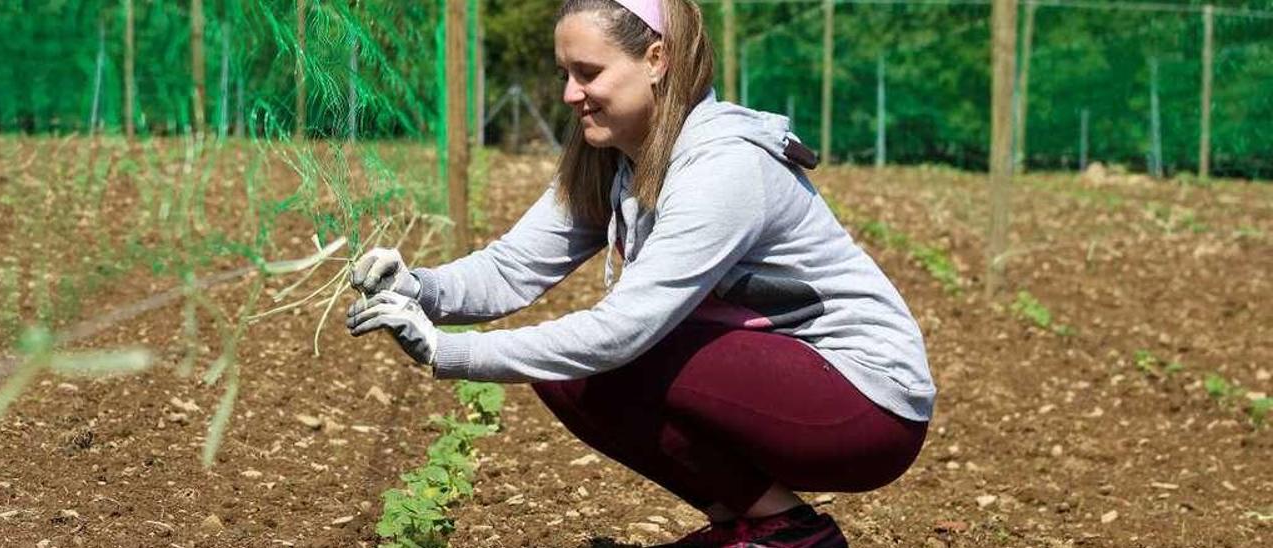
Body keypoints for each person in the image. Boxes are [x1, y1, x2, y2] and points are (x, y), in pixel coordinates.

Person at [344, 1, 934, 546]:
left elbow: (621, 332)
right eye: (565, 74)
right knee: (566, 374)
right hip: (775, 380)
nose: (571, 94)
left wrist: (449, 353)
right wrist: (418, 287)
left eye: (588, 72)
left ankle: (791, 536)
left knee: (608, 355)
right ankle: (756, 527)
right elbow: (514, 266)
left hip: (866, 406)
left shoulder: (723, 167)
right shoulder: (610, 154)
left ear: (656, 60)